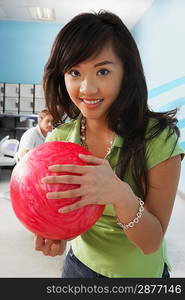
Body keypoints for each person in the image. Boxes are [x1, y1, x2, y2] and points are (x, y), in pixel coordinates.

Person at [34, 11, 184, 278]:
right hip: (77, 267)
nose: (87, 89)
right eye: (74, 72)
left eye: (103, 71)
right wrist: (56, 233)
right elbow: (62, 213)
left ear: (125, 72)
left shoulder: (159, 140)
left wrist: (120, 195)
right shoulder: (58, 139)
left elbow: (151, 242)